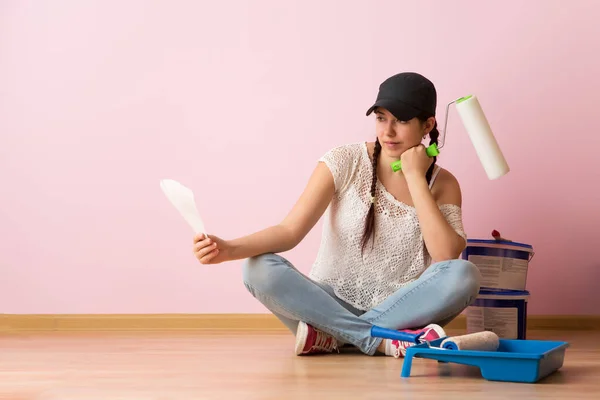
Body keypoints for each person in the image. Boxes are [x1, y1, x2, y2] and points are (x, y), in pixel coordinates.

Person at [192, 72, 481, 358]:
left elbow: (445, 256)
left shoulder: (443, 184)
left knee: (464, 274)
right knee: (257, 268)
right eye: (381, 118)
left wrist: (416, 177)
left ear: (427, 124)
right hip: (325, 305)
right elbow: (290, 231)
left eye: (402, 120)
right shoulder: (345, 160)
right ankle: (379, 341)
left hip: (400, 311)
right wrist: (228, 249)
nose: (388, 131)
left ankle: (333, 338)